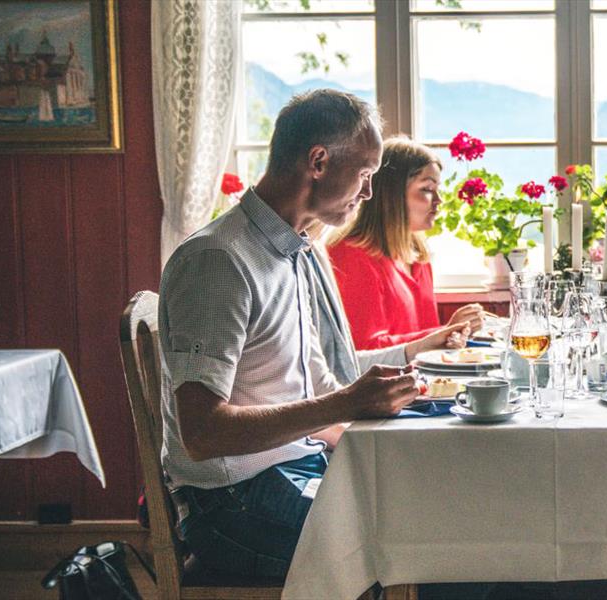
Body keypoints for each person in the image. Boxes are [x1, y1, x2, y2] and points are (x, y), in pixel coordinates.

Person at [157, 90, 479, 593]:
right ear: (319, 161)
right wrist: (348, 403)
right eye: (367, 174)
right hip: (235, 503)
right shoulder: (219, 260)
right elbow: (202, 434)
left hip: (302, 466)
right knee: (446, 555)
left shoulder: (301, 252)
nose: (370, 192)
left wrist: (414, 382)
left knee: (459, 513)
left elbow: (331, 378)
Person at [329, 137, 485, 351]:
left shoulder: (419, 257)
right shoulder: (351, 256)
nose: (439, 200)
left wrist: (452, 335)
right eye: (427, 189)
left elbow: (423, 344)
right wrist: (444, 332)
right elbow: (365, 349)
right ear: (392, 194)